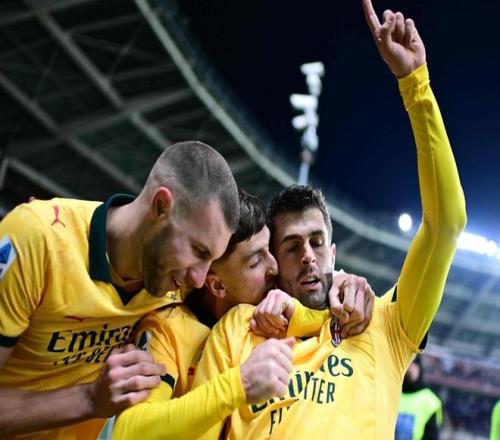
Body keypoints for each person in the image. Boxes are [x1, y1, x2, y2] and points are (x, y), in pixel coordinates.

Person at [192, 0, 467, 438]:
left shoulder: (386, 324)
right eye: (292, 246)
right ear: (273, 262)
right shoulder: (238, 331)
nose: (307, 255)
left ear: (334, 253)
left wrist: (415, 85)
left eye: (317, 242)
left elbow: (446, 225)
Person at [0, 140, 240, 439]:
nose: (200, 279)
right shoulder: (36, 241)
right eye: (198, 251)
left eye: (211, 261)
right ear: (160, 206)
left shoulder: (172, 283)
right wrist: (89, 398)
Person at [112, 189, 374, 439]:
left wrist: (341, 284)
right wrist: (237, 386)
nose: (274, 267)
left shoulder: (273, 308)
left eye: (270, 250)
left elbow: (318, 294)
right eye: (256, 261)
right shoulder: (167, 329)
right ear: (217, 285)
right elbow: (129, 431)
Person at [396, 357, 443, 440]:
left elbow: (432, 436)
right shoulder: (392, 392)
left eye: (414, 363)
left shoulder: (430, 401)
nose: (411, 368)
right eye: (409, 363)